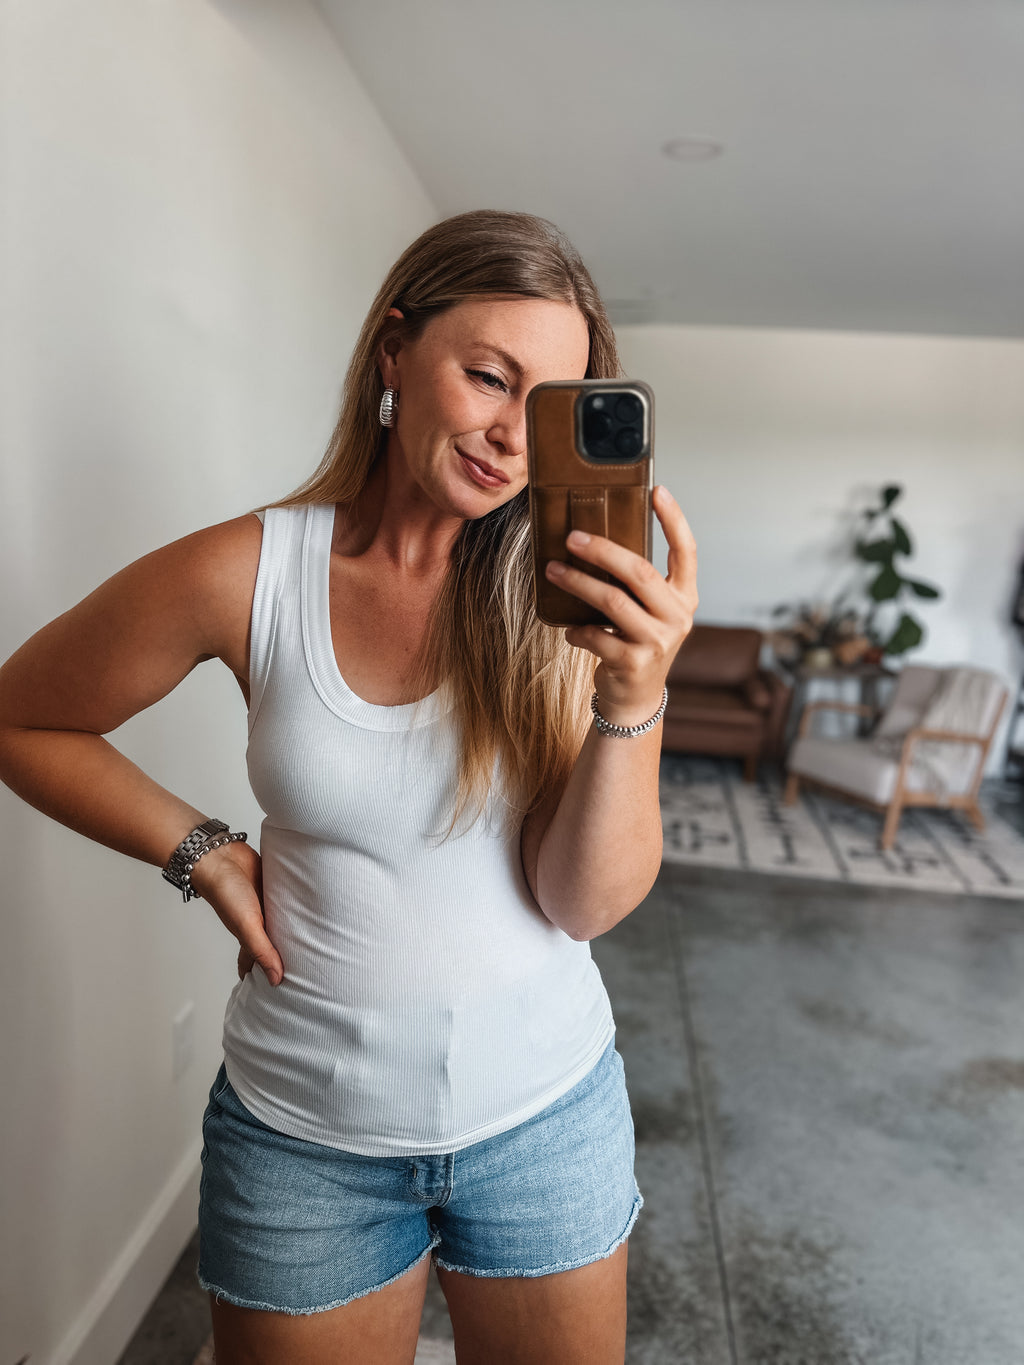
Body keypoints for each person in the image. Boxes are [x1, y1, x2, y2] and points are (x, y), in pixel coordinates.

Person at [0, 209, 697, 1364]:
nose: (512, 440)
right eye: (487, 376)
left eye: (549, 405)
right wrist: (206, 853)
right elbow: (24, 714)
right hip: (303, 1145)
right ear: (393, 351)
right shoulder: (248, 571)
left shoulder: (565, 600)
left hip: (547, 1121)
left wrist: (634, 693)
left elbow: (583, 903)